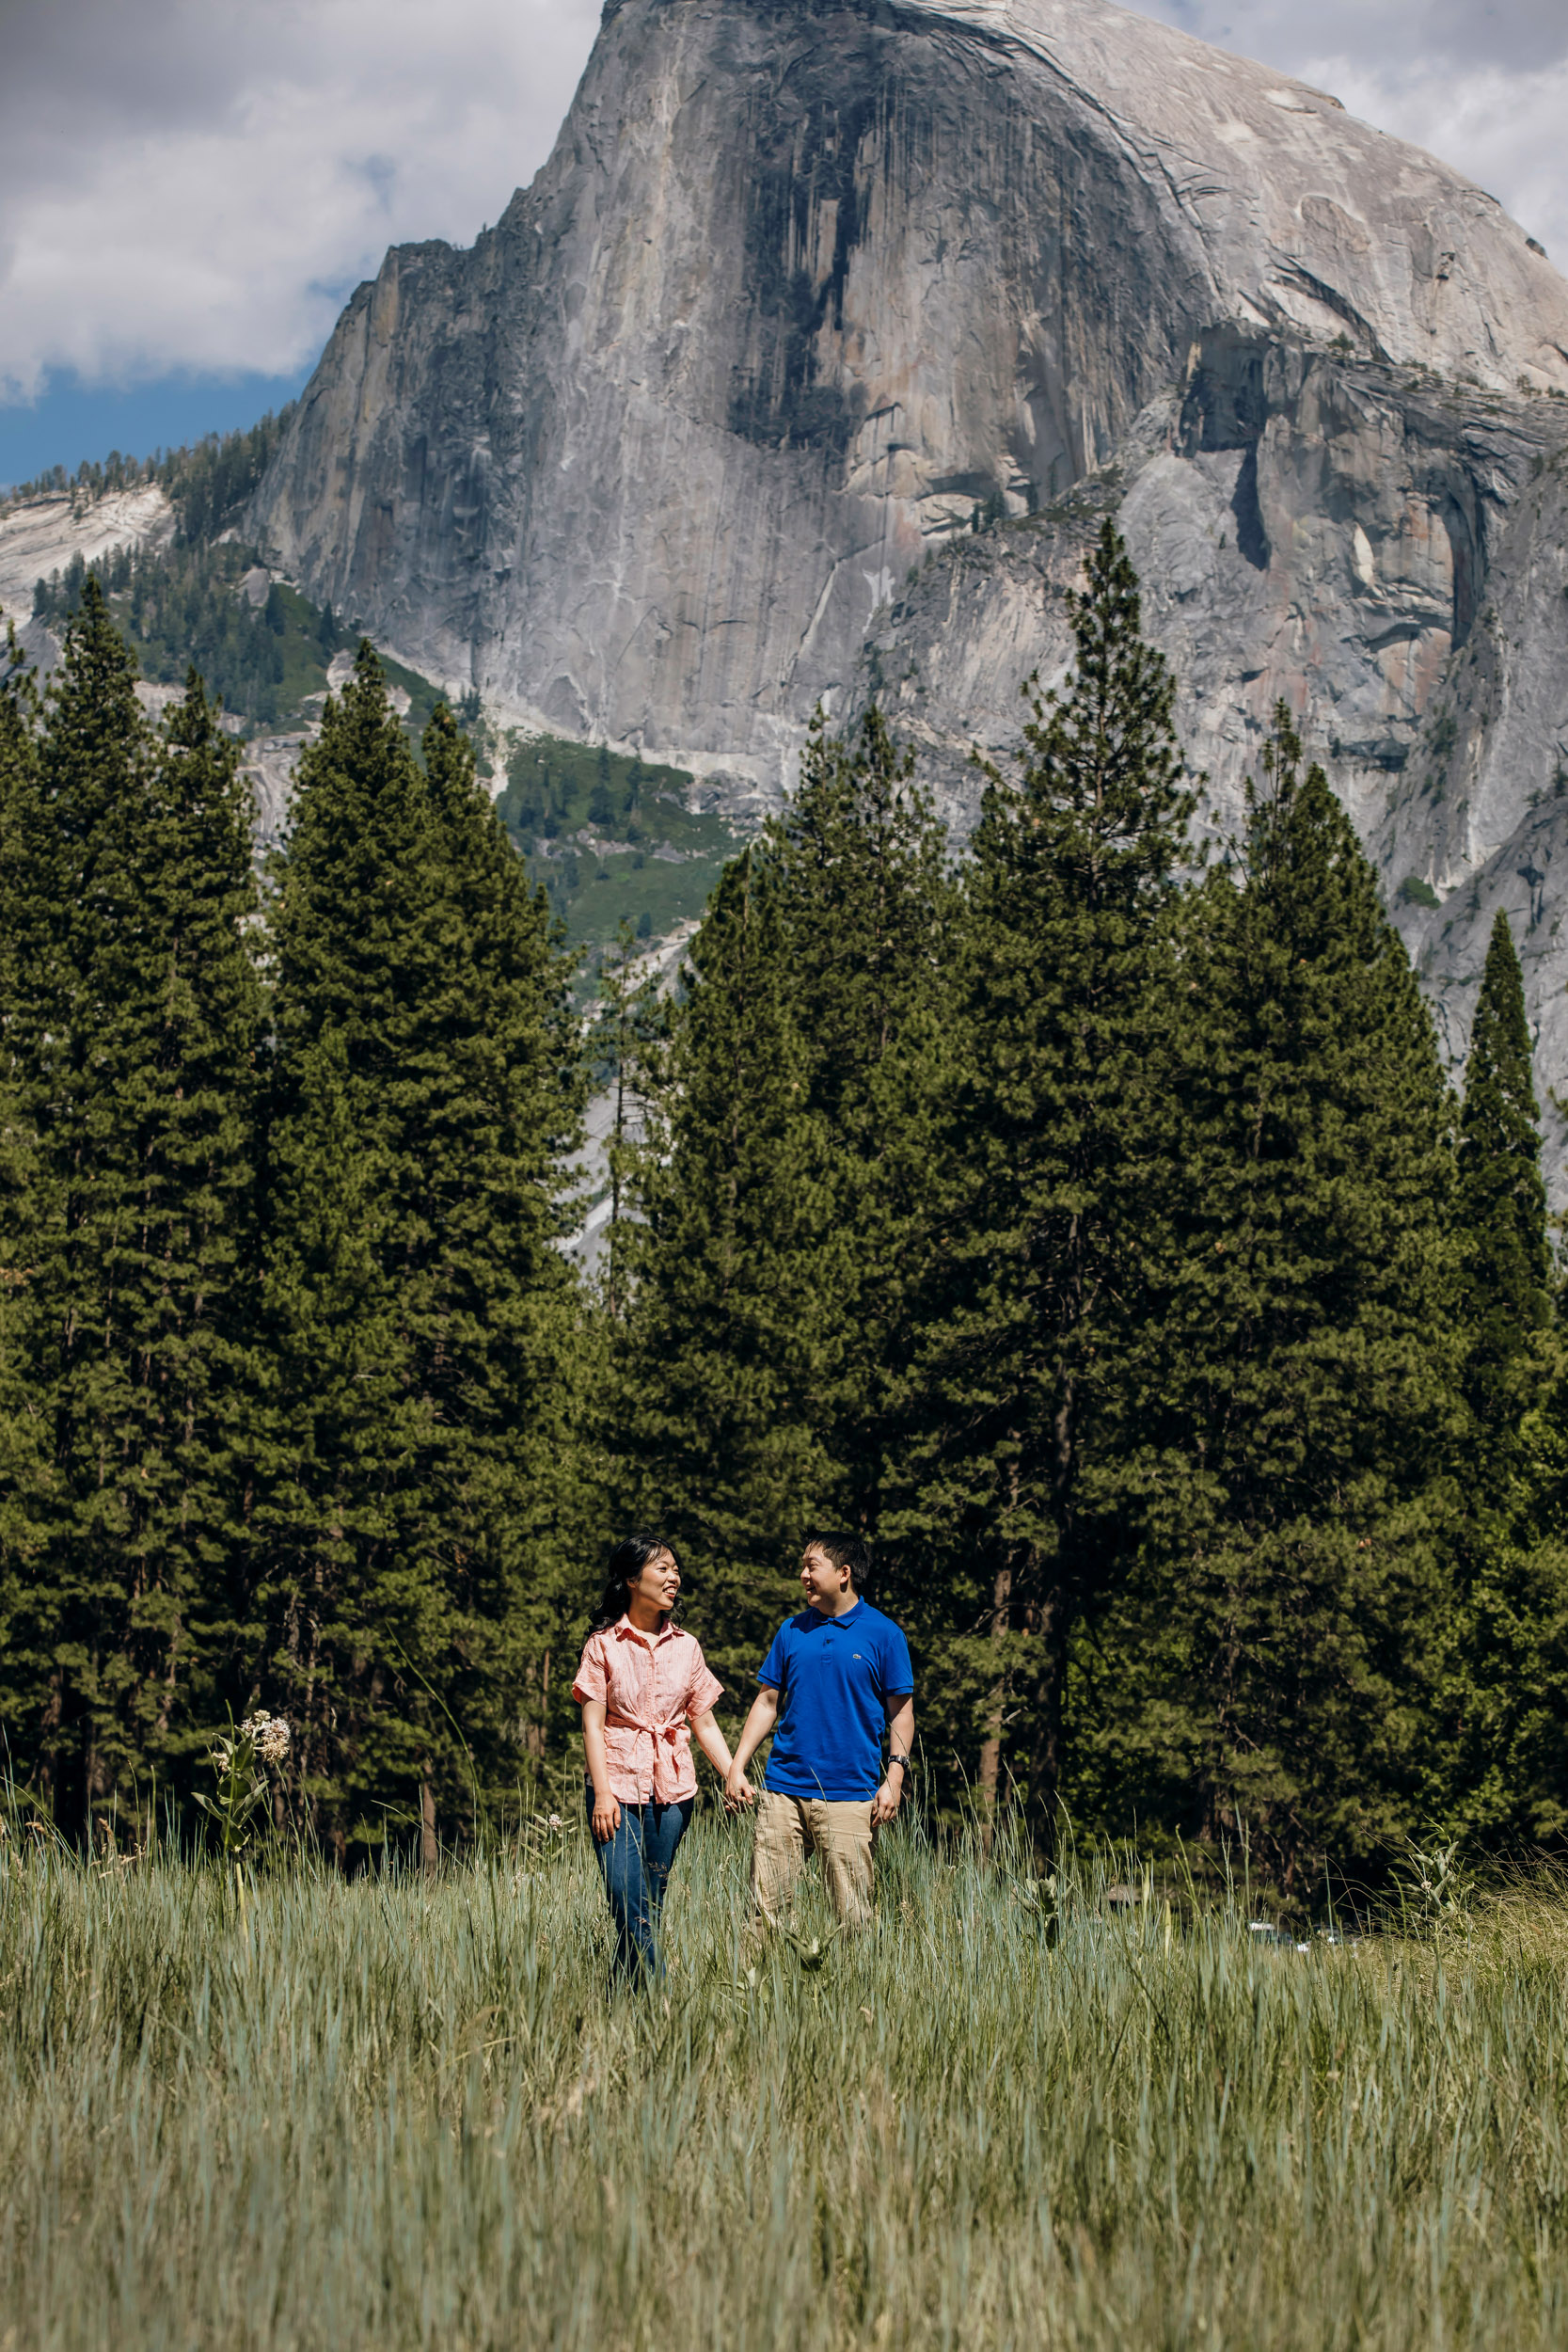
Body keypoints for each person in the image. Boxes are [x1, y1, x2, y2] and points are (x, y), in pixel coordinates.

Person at [724, 1534, 914, 1930]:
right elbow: (767, 1702)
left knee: (853, 1919)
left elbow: (901, 1714)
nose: (803, 1575)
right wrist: (737, 1766)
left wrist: (894, 1778)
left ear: (844, 1573)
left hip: (849, 1796)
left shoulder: (884, 1634)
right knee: (764, 1916)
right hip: (782, 1792)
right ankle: (755, 1991)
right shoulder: (791, 1630)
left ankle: (855, 1991)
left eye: (812, 1566)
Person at [572, 1532, 735, 1984]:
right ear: (630, 1578)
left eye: (675, 1569)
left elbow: (702, 1721)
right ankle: (664, 1998)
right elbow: (592, 1724)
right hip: (617, 1787)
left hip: (674, 1792)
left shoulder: (687, 1646)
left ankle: (621, 2003)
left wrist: (732, 1775)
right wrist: (602, 1794)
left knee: (648, 1905)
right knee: (628, 1897)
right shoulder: (603, 1645)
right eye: (662, 1568)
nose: (674, 1577)